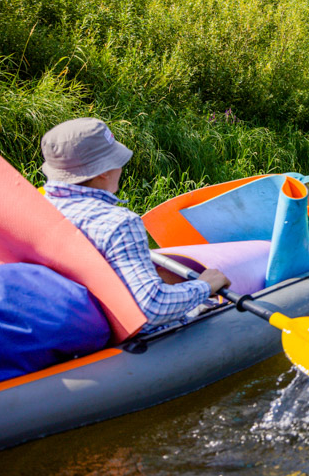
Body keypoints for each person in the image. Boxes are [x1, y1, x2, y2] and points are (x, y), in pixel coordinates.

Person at [41, 117, 232, 332]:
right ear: (104, 171)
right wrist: (204, 286)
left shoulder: (37, 208)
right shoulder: (118, 223)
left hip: (69, 324)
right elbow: (150, 309)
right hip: (130, 336)